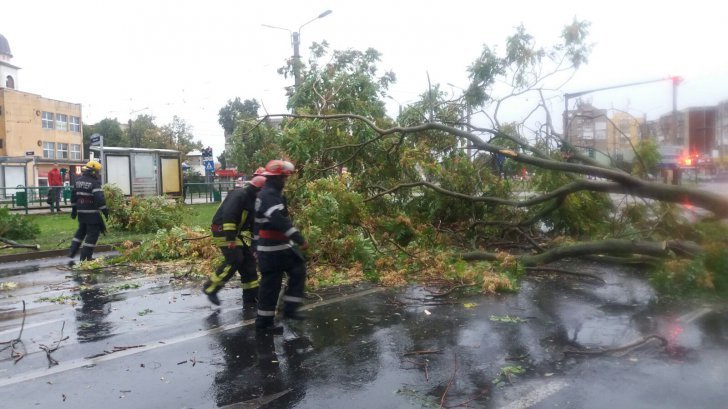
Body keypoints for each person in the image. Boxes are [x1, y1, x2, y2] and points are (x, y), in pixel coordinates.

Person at [254, 160, 309, 333]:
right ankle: (265, 323)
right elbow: (279, 220)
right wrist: (299, 238)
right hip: (272, 250)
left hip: (279, 247)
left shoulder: (272, 194)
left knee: (297, 270)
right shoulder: (268, 195)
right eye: (283, 178)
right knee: (271, 286)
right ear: (276, 178)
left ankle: (289, 310)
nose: (285, 181)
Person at [203, 175, 267, 306]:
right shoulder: (240, 195)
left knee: (249, 262)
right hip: (223, 231)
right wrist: (231, 239)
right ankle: (211, 288)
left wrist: (254, 247)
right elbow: (229, 215)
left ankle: (251, 296)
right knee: (235, 259)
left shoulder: (254, 201)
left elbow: (254, 226)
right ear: (258, 189)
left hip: (235, 233)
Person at [68, 161, 109, 263]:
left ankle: (72, 251)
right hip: (92, 213)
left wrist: (74, 210)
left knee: (81, 232)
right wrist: (105, 211)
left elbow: (73, 197)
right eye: (98, 172)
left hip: (81, 212)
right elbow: (99, 199)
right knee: (92, 234)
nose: (98, 174)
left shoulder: (77, 181)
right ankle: (85, 258)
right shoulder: (94, 183)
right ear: (93, 172)